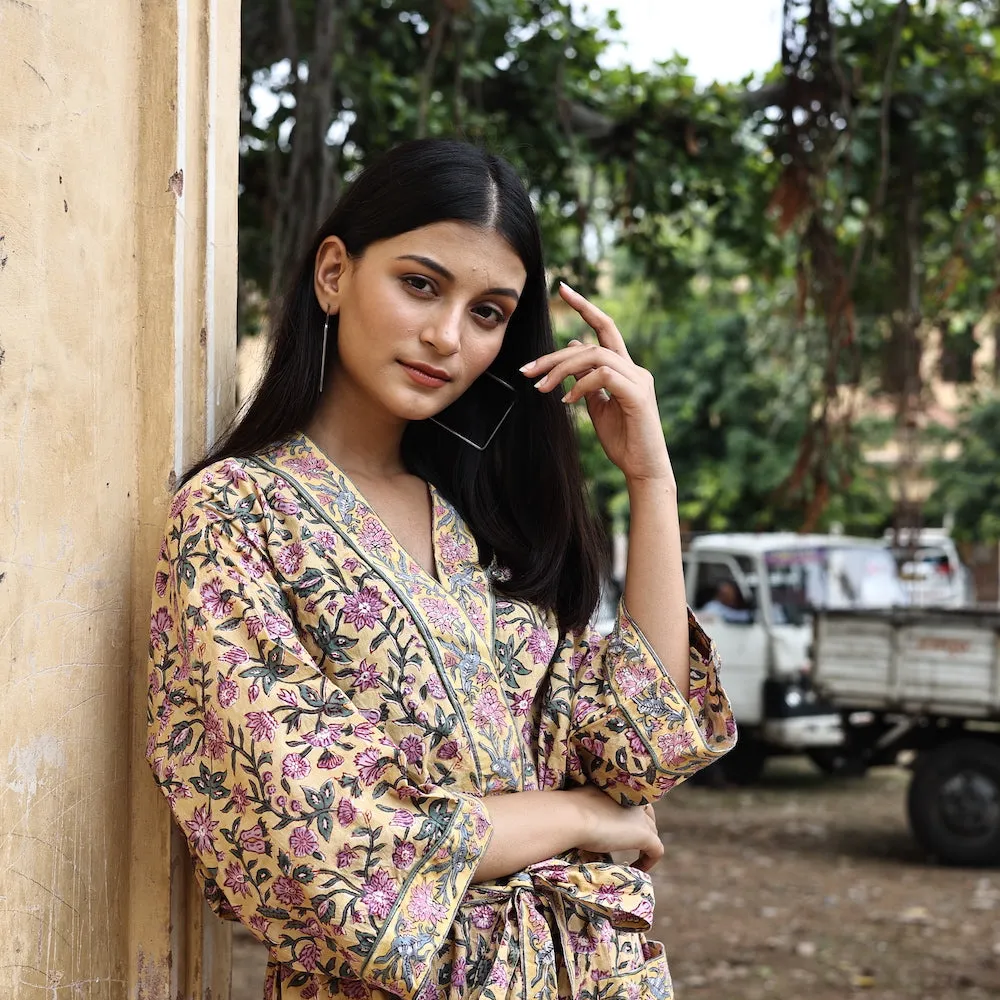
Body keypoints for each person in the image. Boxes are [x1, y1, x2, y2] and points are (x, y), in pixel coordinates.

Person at [146, 138, 735, 1000]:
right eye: (421, 284)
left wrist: (652, 481)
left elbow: (636, 750)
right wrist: (575, 817)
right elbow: (332, 841)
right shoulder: (236, 515)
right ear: (335, 273)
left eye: (489, 312)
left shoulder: (490, 526)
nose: (446, 336)